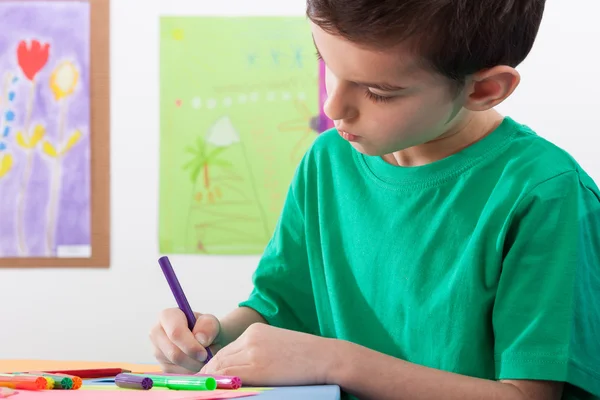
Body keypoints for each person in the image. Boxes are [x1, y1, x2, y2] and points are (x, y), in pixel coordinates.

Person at [150, 1, 600, 399]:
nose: (334, 107)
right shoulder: (328, 160)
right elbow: (278, 311)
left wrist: (337, 363)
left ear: (483, 90)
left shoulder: (545, 193)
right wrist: (212, 339)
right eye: (325, 62)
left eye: (378, 92)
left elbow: (528, 394)